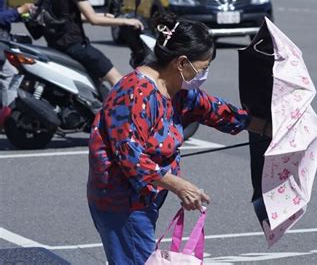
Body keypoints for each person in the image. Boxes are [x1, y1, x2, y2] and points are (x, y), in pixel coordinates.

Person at [87, 13, 271, 264]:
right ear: (181, 62)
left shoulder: (178, 90)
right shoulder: (135, 93)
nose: (205, 74)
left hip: (144, 199)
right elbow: (130, 157)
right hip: (121, 202)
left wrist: (264, 127)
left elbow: (215, 110)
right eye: (203, 67)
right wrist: (179, 186)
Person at [48, 0, 143, 87]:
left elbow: (69, 16)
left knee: (97, 80)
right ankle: (129, 107)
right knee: (117, 79)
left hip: (60, 43)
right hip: (75, 44)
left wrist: (103, 15)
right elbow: (93, 20)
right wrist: (126, 21)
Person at [0, 0, 35, 127]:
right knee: (10, 75)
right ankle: (9, 119)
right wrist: (18, 11)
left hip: (5, 38)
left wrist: (21, 14)